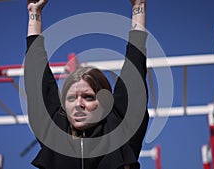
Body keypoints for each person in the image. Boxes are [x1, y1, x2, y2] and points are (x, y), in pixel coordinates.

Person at [24, 0, 149, 168]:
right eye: (71, 98)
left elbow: (135, 72)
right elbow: (36, 77)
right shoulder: (54, 131)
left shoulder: (121, 130)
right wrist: (34, 13)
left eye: (88, 97)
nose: (78, 104)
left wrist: (138, 7)